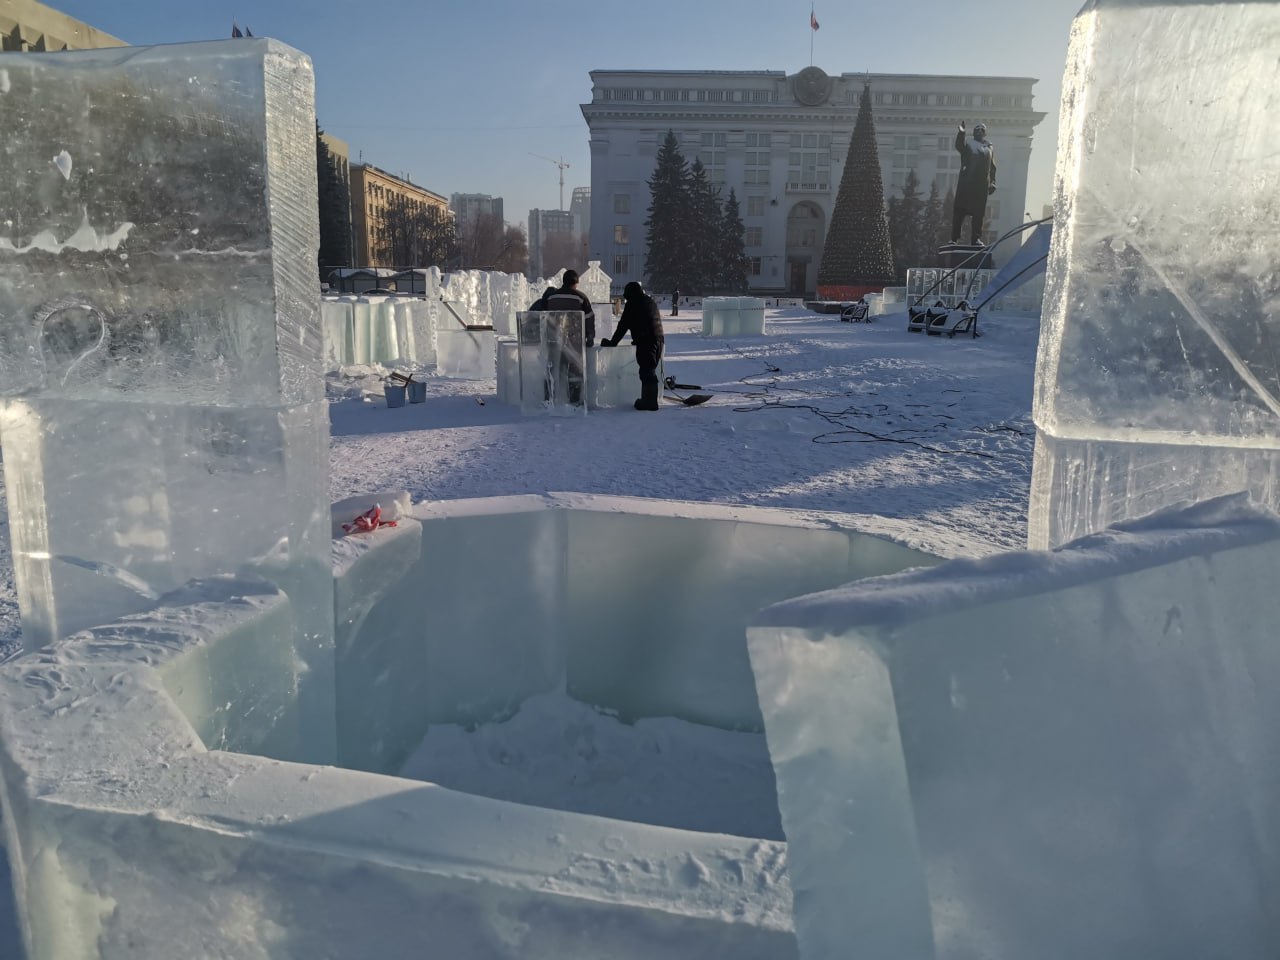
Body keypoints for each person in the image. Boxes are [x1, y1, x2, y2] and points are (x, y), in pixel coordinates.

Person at [602, 280, 665, 410]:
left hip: (646, 341)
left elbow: (623, 326)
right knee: (649, 369)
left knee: (647, 371)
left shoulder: (634, 303)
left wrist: (613, 343)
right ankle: (648, 400)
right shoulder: (649, 301)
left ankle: (650, 402)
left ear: (631, 294)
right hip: (658, 339)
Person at [951, 121, 997, 246]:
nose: (979, 131)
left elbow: (992, 167)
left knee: (979, 214)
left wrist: (992, 182)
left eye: (982, 129)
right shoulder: (968, 144)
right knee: (959, 211)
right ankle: (954, 239)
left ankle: (975, 239)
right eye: (977, 129)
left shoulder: (989, 147)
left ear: (985, 133)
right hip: (966, 184)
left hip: (981, 187)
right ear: (973, 132)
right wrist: (961, 133)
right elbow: (959, 145)